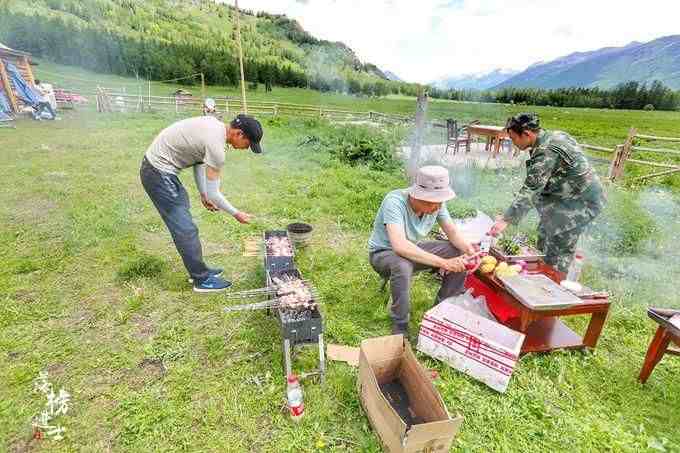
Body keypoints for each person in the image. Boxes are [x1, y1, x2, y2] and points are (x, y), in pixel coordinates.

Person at [140, 114, 264, 293]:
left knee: (183, 215)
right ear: (239, 134)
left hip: (158, 169)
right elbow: (215, 194)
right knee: (186, 229)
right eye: (248, 144)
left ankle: (199, 270)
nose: (246, 149)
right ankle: (201, 279)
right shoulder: (217, 147)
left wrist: (203, 192)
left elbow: (198, 161)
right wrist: (236, 213)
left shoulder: (215, 126)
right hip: (158, 173)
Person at [368, 165, 477, 338]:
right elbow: (400, 246)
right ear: (418, 196)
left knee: (456, 252)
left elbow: (452, 232)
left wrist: (470, 251)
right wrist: (443, 263)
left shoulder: (437, 206)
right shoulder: (394, 201)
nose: (437, 207)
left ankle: (441, 312)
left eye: (440, 202)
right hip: (383, 254)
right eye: (433, 202)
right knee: (401, 264)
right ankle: (400, 325)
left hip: (413, 251)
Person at [490, 113, 606, 273]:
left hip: (579, 203)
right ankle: (540, 272)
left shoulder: (546, 150)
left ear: (527, 134)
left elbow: (532, 188)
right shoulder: (553, 136)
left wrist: (506, 219)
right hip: (565, 197)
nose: (513, 143)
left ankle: (554, 284)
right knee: (544, 236)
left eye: (513, 138)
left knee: (556, 251)